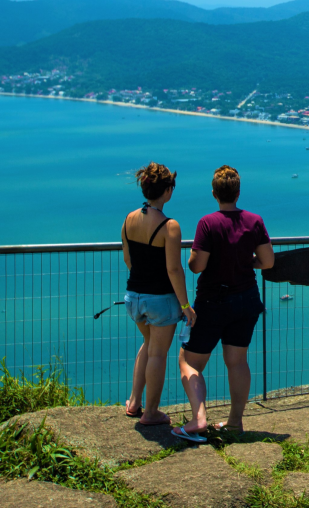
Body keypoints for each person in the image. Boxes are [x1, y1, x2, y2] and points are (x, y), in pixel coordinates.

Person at [174, 165, 274, 442]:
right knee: (237, 361)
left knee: (189, 361)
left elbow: (196, 266)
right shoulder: (254, 221)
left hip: (213, 300)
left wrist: (198, 259)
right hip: (246, 299)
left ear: (214, 193)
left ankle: (199, 418)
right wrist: (246, 262)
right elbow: (267, 262)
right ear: (238, 192)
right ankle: (234, 423)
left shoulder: (208, 223)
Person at [121, 162, 195, 427]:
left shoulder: (129, 219)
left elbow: (129, 259)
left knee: (148, 345)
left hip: (133, 296)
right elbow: (174, 269)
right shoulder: (169, 226)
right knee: (158, 354)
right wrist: (186, 305)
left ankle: (133, 402)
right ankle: (150, 412)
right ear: (168, 191)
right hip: (161, 300)